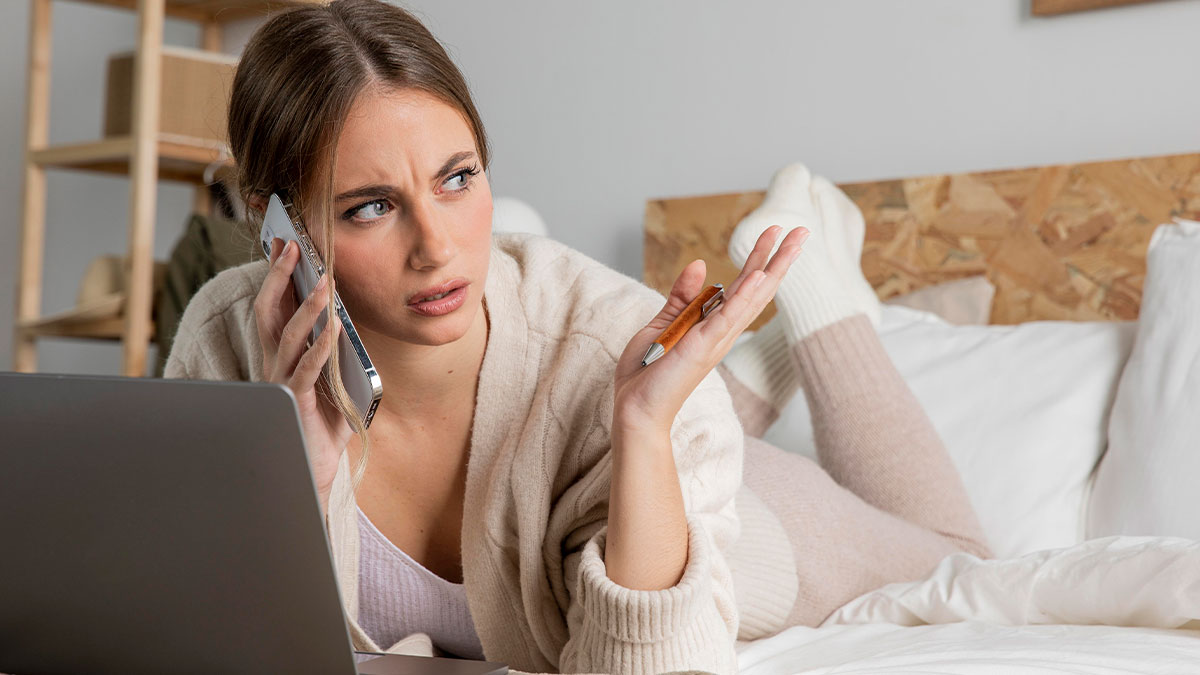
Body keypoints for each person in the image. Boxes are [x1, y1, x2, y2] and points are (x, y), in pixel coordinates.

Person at [164, 1, 991, 673]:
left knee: (965, 564)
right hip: (584, 428)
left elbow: (643, 667)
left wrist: (642, 429)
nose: (438, 246)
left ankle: (818, 300)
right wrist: (294, 476)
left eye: (459, 178)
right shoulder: (225, 348)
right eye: (370, 206)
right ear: (283, 233)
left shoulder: (601, 336)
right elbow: (200, 640)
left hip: (704, 504)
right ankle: (754, 369)